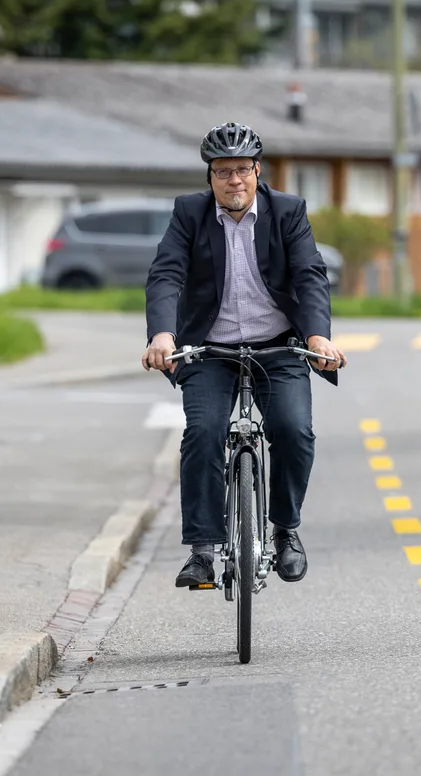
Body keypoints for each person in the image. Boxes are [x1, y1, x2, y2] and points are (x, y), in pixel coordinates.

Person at [142, 121, 346, 589]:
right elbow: (166, 274)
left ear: (258, 170)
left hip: (277, 346)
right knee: (204, 432)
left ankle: (285, 531)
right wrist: (162, 335)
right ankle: (201, 550)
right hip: (209, 350)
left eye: (241, 170)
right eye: (222, 172)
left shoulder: (287, 212)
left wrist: (317, 337)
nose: (233, 180)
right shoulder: (189, 214)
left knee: (294, 431)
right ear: (210, 177)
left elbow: (310, 275)